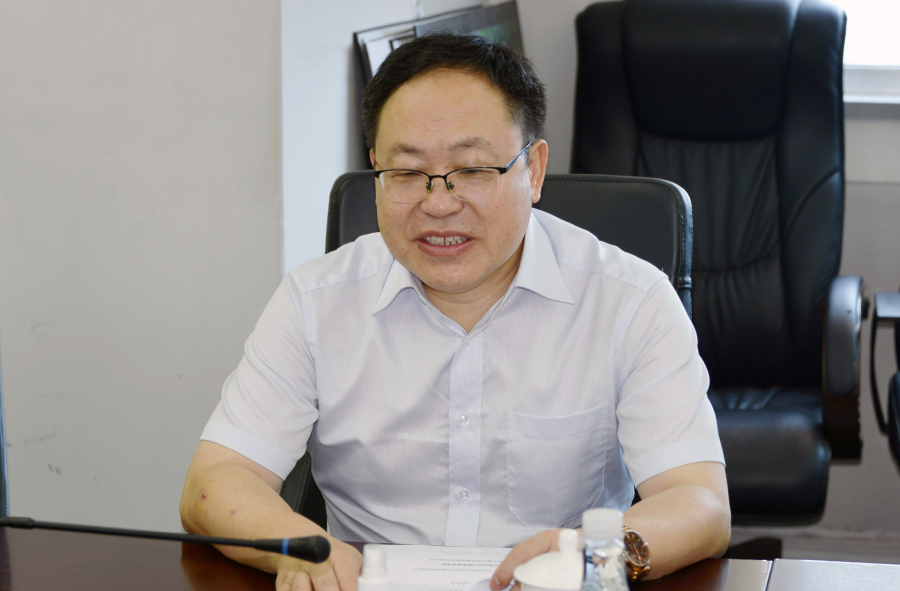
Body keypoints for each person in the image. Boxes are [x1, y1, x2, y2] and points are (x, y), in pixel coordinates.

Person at [180, 33, 730, 591]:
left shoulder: (630, 300)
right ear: (376, 172)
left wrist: (600, 555)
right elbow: (217, 479)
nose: (439, 203)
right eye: (406, 172)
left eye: (472, 169)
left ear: (534, 170)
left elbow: (699, 502)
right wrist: (298, 548)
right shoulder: (314, 301)